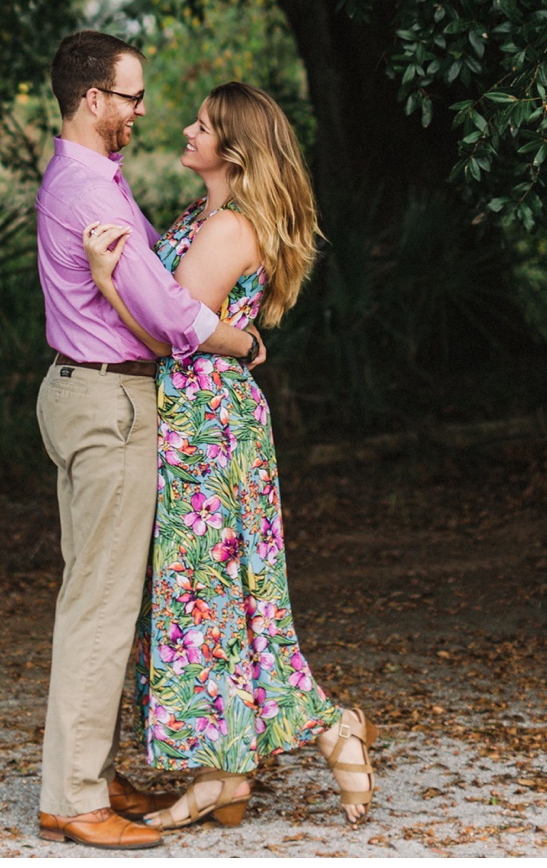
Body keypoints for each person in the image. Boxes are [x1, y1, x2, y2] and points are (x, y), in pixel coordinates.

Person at [83, 82, 378, 833]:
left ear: (235, 149)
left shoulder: (229, 229)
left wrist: (107, 282)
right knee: (209, 598)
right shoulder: (201, 216)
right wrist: (239, 339)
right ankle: (223, 774)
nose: (187, 130)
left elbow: (165, 330)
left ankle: (331, 727)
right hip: (198, 415)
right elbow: (188, 324)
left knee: (219, 591)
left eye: (204, 126)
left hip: (209, 423)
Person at [34, 32, 265, 851]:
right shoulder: (92, 191)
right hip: (110, 401)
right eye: (131, 96)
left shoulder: (86, 177)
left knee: (87, 597)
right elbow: (170, 317)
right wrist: (239, 342)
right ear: (94, 100)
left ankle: (83, 775)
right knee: (102, 605)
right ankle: (75, 798)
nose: (141, 110)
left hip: (79, 390)